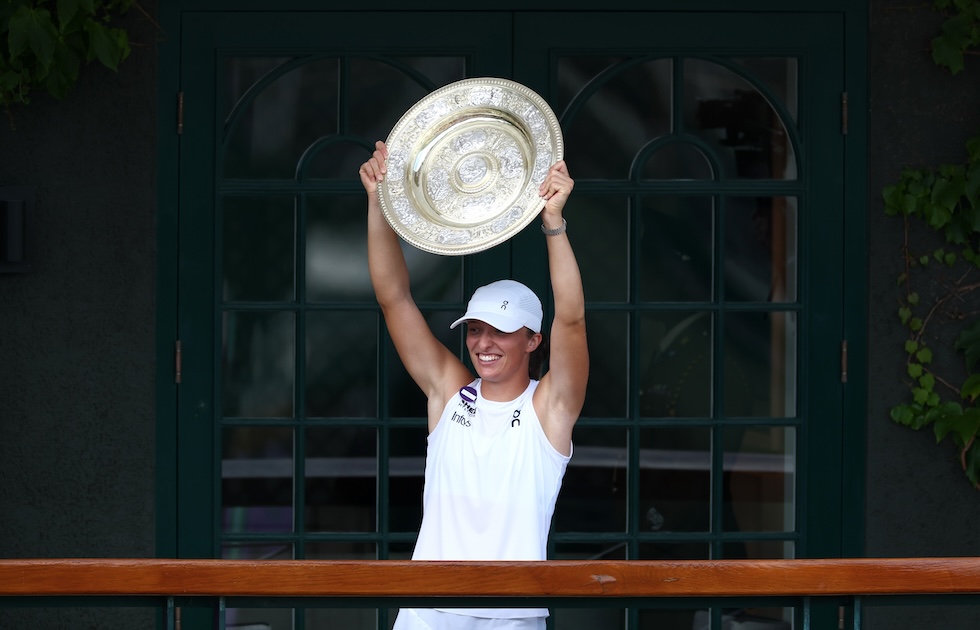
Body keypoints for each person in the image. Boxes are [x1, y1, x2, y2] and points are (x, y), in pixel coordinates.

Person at [359, 140, 589, 630]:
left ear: (532, 340)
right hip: (427, 608)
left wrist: (553, 223)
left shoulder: (550, 408)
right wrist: (378, 201)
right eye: (474, 329)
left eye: (500, 331)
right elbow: (393, 298)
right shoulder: (448, 392)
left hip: (513, 615)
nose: (484, 343)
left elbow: (572, 319)